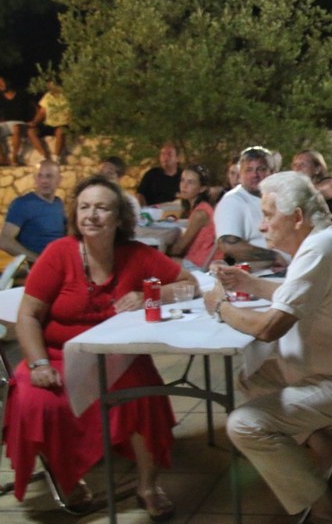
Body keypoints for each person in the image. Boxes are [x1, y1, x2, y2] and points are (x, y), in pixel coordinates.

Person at [201, 171, 332, 522]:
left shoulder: (320, 249)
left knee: (245, 424)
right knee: (255, 376)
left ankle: (330, 511)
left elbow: (268, 329)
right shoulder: (331, 237)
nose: (261, 226)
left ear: (296, 217)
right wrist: (250, 283)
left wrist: (220, 306)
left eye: (268, 215)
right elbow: (301, 294)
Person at [5, 175, 198, 518]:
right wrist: (38, 364)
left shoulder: (137, 254)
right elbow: (28, 315)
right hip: (57, 355)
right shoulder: (58, 253)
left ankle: (148, 486)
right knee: (37, 401)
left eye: (101, 208)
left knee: (144, 394)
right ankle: (68, 479)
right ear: (75, 214)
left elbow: (190, 284)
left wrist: (147, 295)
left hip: (118, 356)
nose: (91, 215)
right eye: (84, 207)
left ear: (119, 218)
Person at [215, 145, 288, 268]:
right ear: (240, 174)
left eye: (261, 169)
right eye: (248, 170)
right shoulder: (233, 200)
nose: (255, 174)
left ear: (272, 172)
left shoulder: (281, 196)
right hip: (263, 272)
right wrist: (274, 257)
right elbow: (229, 245)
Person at [0, 160, 65, 264]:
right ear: (35, 179)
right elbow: (5, 240)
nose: (44, 181)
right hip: (37, 266)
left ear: (59, 180)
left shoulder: (59, 204)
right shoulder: (23, 204)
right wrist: (39, 260)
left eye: (49, 176)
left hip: (60, 263)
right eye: (40, 176)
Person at [167, 164, 221, 271]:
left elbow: (179, 248)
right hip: (197, 261)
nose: (184, 186)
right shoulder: (201, 207)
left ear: (202, 188)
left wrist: (162, 251)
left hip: (198, 265)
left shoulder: (200, 214)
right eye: (182, 180)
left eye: (190, 182)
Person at [291, 149, 332, 225]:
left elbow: (309, 194)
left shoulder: (331, 184)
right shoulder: (295, 189)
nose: (297, 168)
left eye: (303, 164)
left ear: (317, 169)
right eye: (295, 165)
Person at [25, 81, 69, 162]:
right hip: (48, 124)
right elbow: (42, 112)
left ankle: (56, 157)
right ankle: (44, 156)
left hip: (62, 123)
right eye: (48, 85)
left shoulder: (67, 95)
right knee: (31, 131)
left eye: (51, 84)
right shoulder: (48, 96)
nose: (49, 86)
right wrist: (34, 122)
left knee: (60, 131)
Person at [0, 76, 36, 166]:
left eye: (2, 82)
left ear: (7, 82)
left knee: (16, 127)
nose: (0, 85)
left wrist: (34, 121)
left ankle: (14, 157)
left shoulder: (21, 95)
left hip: (20, 123)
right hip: (6, 124)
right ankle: (2, 158)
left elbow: (36, 108)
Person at [98, 155, 142, 222]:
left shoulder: (130, 202)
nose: (104, 178)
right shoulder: (91, 199)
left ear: (120, 177)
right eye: (101, 173)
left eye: (109, 174)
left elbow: (135, 225)